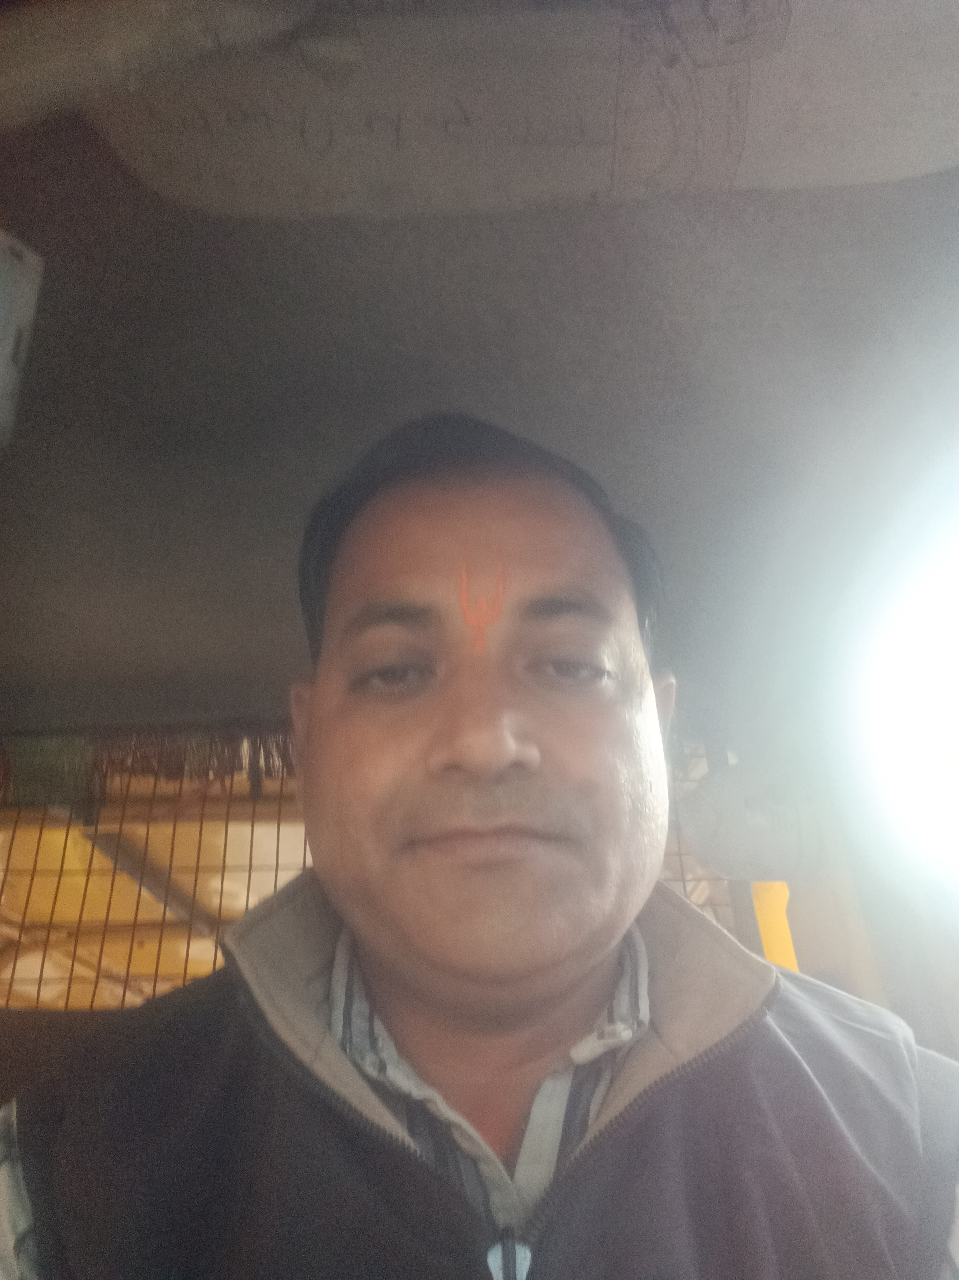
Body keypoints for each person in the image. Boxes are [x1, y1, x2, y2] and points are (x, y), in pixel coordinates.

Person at [1, 413, 958, 1280]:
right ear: (306, 742)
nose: (484, 739)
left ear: (660, 734)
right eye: (394, 673)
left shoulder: (914, 1141)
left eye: (569, 666)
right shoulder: (65, 1165)